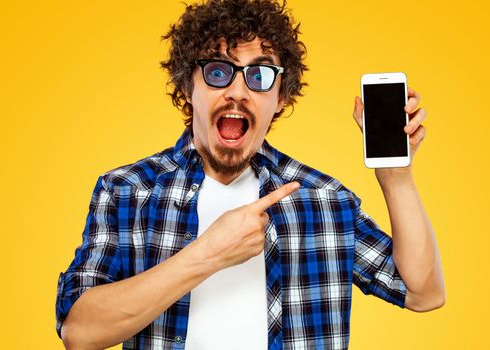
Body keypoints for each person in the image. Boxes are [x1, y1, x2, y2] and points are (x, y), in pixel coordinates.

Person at [55, 0, 446, 349]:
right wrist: (207, 254)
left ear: (280, 99)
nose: (239, 92)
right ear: (187, 87)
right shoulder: (126, 191)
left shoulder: (323, 199)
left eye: (259, 76)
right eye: (218, 72)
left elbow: (422, 293)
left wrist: (397, 177)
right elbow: (80, 332)